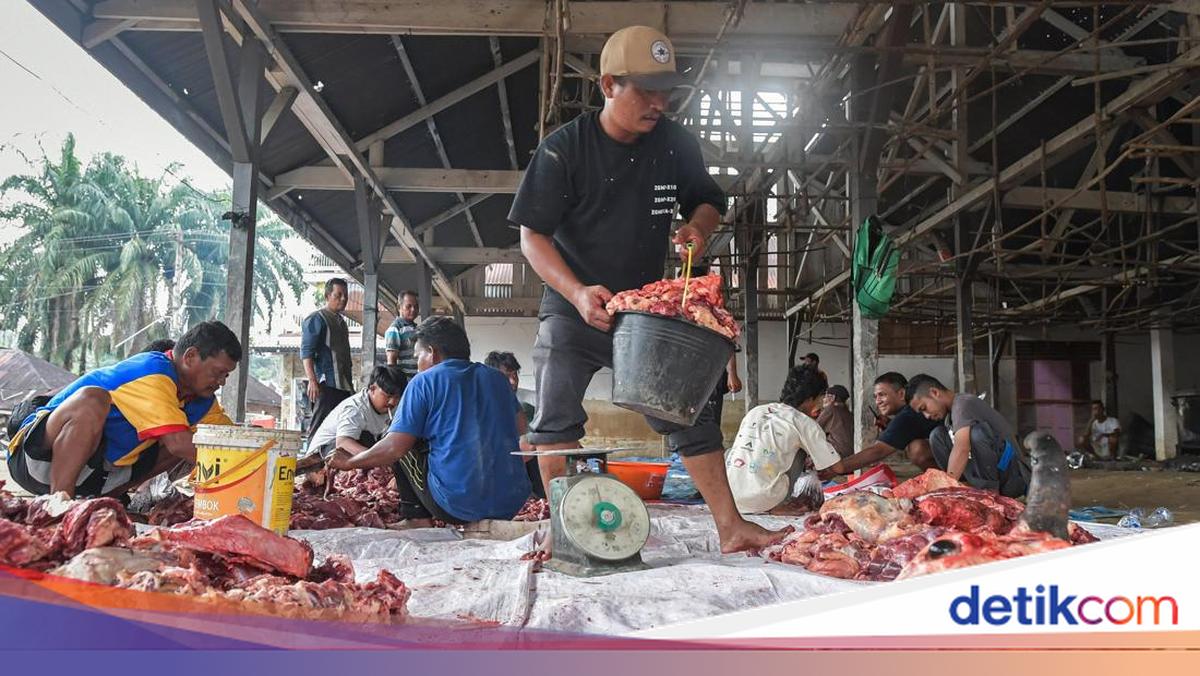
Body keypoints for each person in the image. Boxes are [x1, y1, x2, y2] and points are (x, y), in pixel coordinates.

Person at [510, 25, 782, 552]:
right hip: (574, 306)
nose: (659, 103)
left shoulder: (674, 144)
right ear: (609, 85)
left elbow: (708, 200)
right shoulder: (564, 150)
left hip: (649, 311)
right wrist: (576, 292)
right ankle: (567, 536)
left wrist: (697, 228)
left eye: (666, 91)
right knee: (555, 418)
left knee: (687, 412)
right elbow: (532, 237)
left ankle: (731, 528)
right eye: (646, 91)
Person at [327, 317, 531, 523]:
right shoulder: (497, 379)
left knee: (398, 438)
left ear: (433, 353)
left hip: (457, 506)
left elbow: (393, 449)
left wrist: (350, 462)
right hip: (510, 503)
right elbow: (522, 428)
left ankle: (416, 517)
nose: (418, 365)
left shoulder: (424, 381)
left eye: (418, 356)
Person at [6, 321, 239, 498]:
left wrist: (251, 460)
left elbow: (234, 443)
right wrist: (235, 466)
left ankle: (110, 502)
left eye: (226, 375)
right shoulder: (152, 371)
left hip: (96, 478)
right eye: (217, 372)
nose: (221, 382)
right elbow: (179, 443)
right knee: (92, 399)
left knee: (195, 442)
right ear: (190, 357)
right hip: (34, 462)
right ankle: (59, 506)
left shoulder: (203, 401)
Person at [725, 365, 841, 514]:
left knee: (737, 452)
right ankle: (778, 504)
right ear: (811, 398)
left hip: (728, 497)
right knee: (799, 451)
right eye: (821, 399)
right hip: (762, 499)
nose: (821, 405)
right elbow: (838, 468)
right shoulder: (803, 422)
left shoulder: (756, 411)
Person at [905, 374, 1031, 498]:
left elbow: (962, 449)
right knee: (937, 435)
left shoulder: (963, 404)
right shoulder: (950, 416)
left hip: (1013, 478)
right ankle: (962, 488)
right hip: (998, 475)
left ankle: (988, 494)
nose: (926, 416)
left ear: (934, 392)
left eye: (924, 408)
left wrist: (946, 488)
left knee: (976, 434)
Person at [820, 372, 939, 479]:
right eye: (875, 397)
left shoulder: (907, 415)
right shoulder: (907, 413)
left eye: (882, 395)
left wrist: (838, 468)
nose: (878, 401)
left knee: (917, 448)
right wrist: (890, 425)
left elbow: (878, 451)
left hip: (948, 458)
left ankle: (943, 479)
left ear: (901, 394)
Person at [297, 365, 408, 470]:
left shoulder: (394, 408)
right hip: (322, 457)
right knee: (366, 439)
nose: (392, 402)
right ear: (372, 389)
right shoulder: (355, 409)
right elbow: (343, 443)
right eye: (388, 396)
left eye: (397, 397)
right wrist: (377, 460)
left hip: (354, 456)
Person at [483, 350, 545, 499]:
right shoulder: (483, 402)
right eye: (506, 376)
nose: (513, 381)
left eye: (515, 375)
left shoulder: (531, 399)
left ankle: (538, 498)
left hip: (528, 457)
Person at [301, 278, 354, 435]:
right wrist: (312, 380)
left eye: (345, 296)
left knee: (340, 430)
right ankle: (312, 450)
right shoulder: (316, 319)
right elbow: (307, 352)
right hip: (326, 384)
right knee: (319, 428)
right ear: (327, 296)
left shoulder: (341, 322)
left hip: (344, 385)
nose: (343, 299)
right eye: (338, 295)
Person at [384, 290, 421, 379]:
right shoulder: (395, 329)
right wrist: (396, 382)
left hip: (416, 378)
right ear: (399, 307)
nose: (413, 309)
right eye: (408, 306)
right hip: (405, 381)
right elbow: (391, 361)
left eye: (416, 306)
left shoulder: (416, 328)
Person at [817, 385, 853, 458]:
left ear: (832, 398)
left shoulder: (831, 409)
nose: (823, 399)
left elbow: (815, 428)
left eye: (825, 396)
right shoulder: (848, 412)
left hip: (837, 452)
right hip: (850, 452)